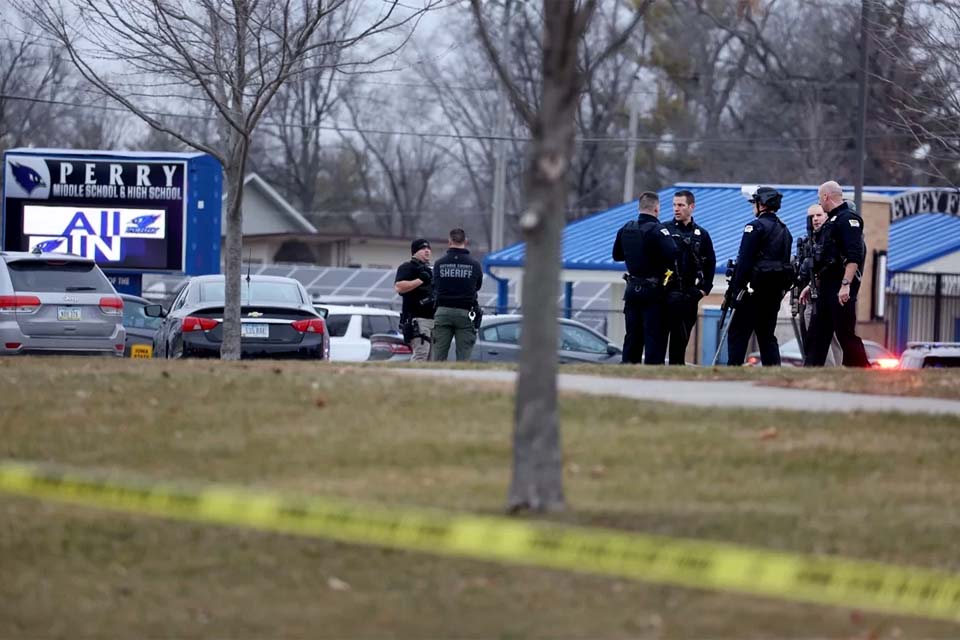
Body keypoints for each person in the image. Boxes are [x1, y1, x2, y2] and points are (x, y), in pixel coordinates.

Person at [800, 181, 870, 367]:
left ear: (826, 196)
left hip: (840, 290)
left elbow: (853, 256)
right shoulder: (832, 221)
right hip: (826, 288)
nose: (819, 202)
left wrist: (845, 285)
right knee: (816, 336)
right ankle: (810, 375)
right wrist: (811, 284)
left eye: (819, 198)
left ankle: (864, 373)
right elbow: (826, 260)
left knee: (845, 335)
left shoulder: (848, 220)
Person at [726, 186, 794, 366]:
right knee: (767, 336)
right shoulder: (785, 230)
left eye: (754, 202)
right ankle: (773, 371)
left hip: (751, 292)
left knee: (738, 334)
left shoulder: (754, 227)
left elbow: (744, 262)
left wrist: (735, 290)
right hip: (773, 293)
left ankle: (733, 372)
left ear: (761, 204)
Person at [612, 191, 678, 365]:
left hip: (632, 289)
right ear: (657, 209)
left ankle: (627, 370)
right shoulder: (658, 230)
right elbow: (673, 253)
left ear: (639, 207)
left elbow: (617, 255)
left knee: (632, 335)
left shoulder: (626, 228)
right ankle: (652, 376)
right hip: (653, 292)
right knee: (654, 337)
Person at [664, 189, 716, 365]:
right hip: (665, 297)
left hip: (688, 297)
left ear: (691, 207)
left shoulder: (701, 235)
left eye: (681, 205)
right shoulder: (664, 230)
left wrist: (702, 290)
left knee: (679, 346)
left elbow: (710, 263)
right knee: (657, 344)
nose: (676, 209)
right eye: (674, 205)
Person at [432, 228, 483, 361]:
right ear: (465, 241)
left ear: (449, 242)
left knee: (438, 355)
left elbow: (435, 286)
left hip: (442, 311)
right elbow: (477, 286)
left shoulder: (439, 264)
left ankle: (435, 379)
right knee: (464, 356)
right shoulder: (475, 265)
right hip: (465, 313)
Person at [394, 238, 435, 361]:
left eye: (428, 248)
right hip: (417, 318)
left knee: (433, 358)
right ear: (414, 252)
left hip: (433, 318)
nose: (427, 251)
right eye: (423, 249)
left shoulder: (430, 270)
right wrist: (420, 280)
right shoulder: (407, 267)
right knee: (421, 354)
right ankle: (412, 377)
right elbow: (399, 287)